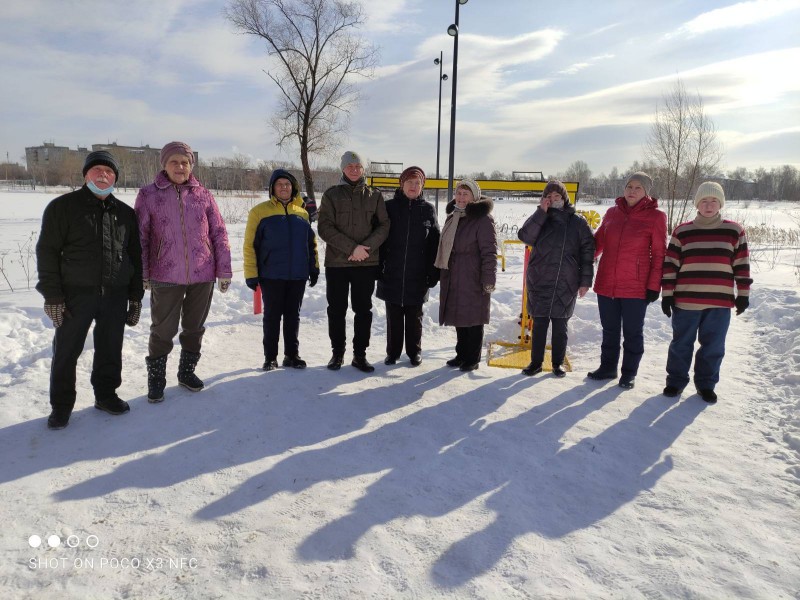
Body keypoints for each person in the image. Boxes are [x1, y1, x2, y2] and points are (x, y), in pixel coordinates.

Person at [36, 150, 144, 429]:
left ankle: (106, 395)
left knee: (110, 348)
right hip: (74, 296)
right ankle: (61, 406)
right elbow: (47, 252)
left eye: (109, 172)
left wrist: (135, 297)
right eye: (97, 170)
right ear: (85, 175)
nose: (103, 175)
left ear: (115, 178)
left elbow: (134, 255)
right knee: (66, 351)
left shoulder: (125, 213)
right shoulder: (62, 207)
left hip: (115, 295)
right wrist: (53, 295)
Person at [135, 141, 232, 402]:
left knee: (194, 327)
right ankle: (156, 378)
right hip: (165, 274)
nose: (180, 166)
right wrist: (143, 272)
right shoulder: (148, 195)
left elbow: (219, 232)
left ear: (191, 166)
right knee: (162, 330)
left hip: (203, 273)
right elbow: (140, 236)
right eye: (174, 162)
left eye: (185, 162)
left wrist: (224, 269)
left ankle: (186, 371)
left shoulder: (203, 194)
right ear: (164, 165)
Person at [661, 182, 752, 403]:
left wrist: (743, 294)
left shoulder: (734, 231)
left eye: (713, 201)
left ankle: (706, 384)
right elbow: (670, 264)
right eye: (704, 201)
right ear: (697, 204)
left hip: (719, 302)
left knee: (713, 346)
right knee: (681, 344)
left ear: (720, 203)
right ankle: (675, 381)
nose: (709, 205)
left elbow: (741, 264)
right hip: (686, 300)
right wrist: (667, 295)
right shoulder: (682, 231)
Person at [589, 171, 667, 389]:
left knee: (633, 332)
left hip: (636, 286)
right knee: (609, 331)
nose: (632, 191)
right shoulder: (612, 213)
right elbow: (597, 245)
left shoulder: (656, 217)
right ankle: (608, 368)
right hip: (607, 283)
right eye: (629, 186)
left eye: (638, 188)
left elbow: (660, 254)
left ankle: (629, 373)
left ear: (646, 192)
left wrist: (654, 285)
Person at [317, 150, 390, 373]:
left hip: (365, 264)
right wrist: (352, 248)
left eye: (358, 166)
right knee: (336, 310)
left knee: (363, 310)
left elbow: (384, 226)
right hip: (338, 264)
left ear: (363, 169)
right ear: (343, 168)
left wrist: (364, 250)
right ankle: (337, 352)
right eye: (350, 166)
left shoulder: (374, 196)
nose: (355, 170)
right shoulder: (331, 195)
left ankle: (360, 355)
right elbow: (324, 227)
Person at [243, 169, 320, 371]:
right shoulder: (259, 212)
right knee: (272, 316)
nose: (284, 187)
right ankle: (270, 357)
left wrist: (313, 267)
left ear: (293, 188)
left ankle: (291, 355)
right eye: (279, 184)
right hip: (271, 274)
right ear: (272, 188)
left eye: (287, 184)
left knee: (293, 315)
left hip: (297, 274)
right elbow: (250, 246)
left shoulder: (302, 213)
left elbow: (311, 244)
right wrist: (251, 274)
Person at [518, 180, 595, 377]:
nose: (553, 200)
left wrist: (585, 281)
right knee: (540, 323)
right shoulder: (541, 219)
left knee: (561, 325)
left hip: (566, 282)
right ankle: (535, 363)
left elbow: (588, 252)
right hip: (540, 280)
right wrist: (540, 213)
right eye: (549, 197)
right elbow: (525, 236)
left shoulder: (578, 223)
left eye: (557, 197)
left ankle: (557, 363)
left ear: (564, 198)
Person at [377, 166, 440, 366]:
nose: (413, 186)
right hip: (392, 271)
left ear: (422, 186)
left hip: (418, 273)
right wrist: (378, 267)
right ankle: (393, 352)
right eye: (410, 182)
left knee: (415, 315)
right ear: (401, 184)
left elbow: (435, 243)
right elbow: (380, 240)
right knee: (393, 314)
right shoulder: (389, 208)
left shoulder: (428, 210)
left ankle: (414, 352)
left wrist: (433, 271)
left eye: (417, 183)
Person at [435, 179, 497, 372]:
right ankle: (461, 354)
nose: (461, 198)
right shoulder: (454, 216)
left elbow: (489, 252)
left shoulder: (483, 219)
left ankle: (472, 357)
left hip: (473, 275)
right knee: (459, 315)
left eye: (465, 194)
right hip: (454, 273)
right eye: (459, 193)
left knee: (473, 318)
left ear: (474, 197)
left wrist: (488, 279)